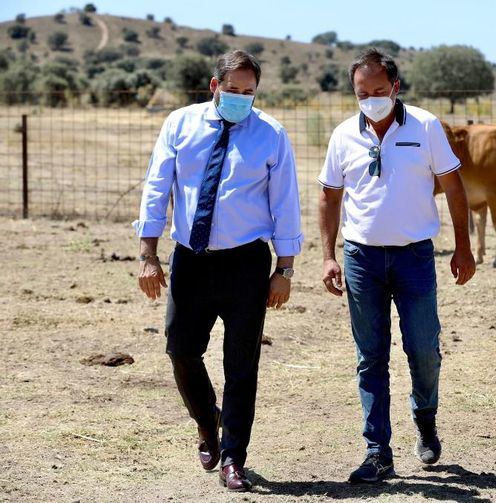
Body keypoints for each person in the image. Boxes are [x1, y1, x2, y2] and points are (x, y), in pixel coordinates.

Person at [133, 50, 302, 492]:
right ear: (214, 86)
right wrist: (148, 253)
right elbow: (157, 187)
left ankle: (233, 457)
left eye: (248, 92)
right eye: (232, 90)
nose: (240, 99)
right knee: (180, 349)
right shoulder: (180, 124)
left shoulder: (271, 135)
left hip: (247, 263)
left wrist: (284, 267)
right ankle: (208, 423)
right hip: (191, 259)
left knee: (241, 364)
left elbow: (285, 201)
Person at [318, 48, 476, 484]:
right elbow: (330, 196)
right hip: (361, 258)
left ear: (396, 88)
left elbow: (455, 188)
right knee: (370, 357)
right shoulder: (343, 135)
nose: (371, 99)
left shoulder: (425, 127)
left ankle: (425, 418)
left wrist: (463, 248)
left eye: (379, 91)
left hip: (414, 256)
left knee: (424, 349)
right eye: (362, 92)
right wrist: (329, 255)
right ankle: (377, 452)